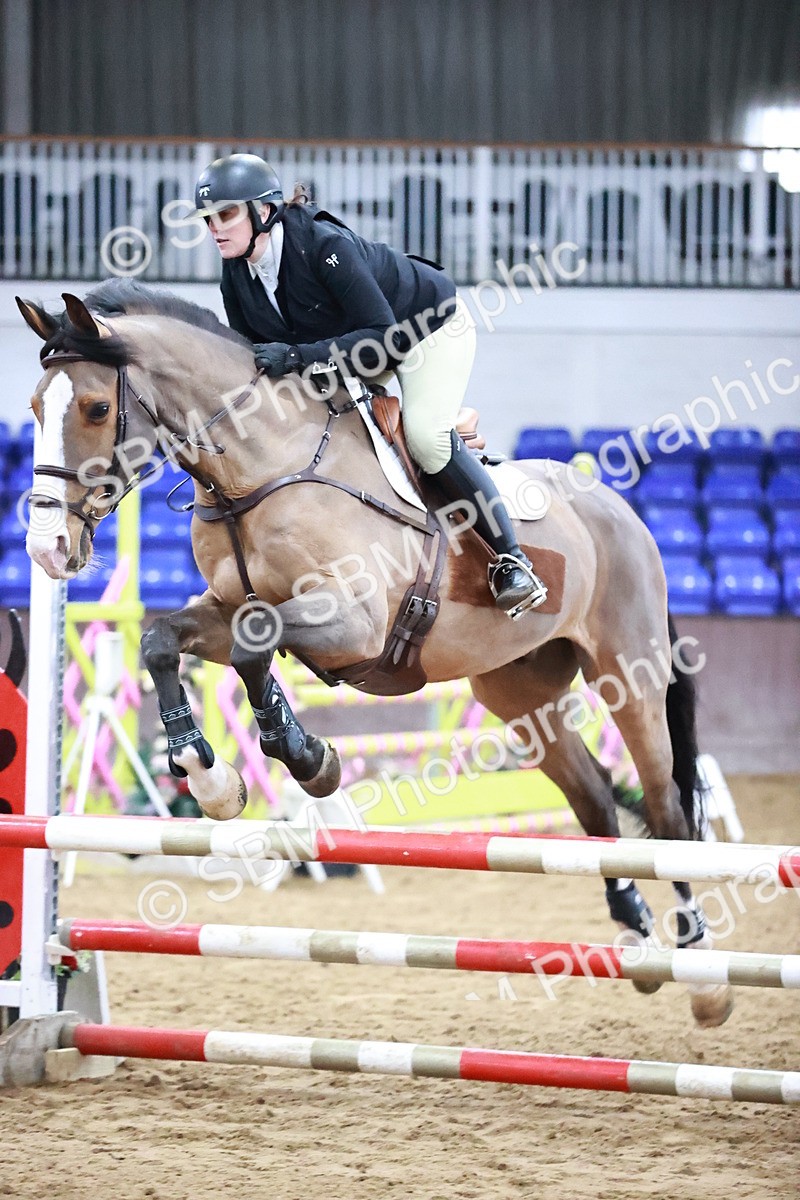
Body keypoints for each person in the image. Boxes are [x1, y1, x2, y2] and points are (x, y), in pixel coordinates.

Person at [192, 152, 547, 615]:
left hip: (422, 330)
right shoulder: (236, 274)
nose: (215, 228)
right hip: (351, 345)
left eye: (226, 214)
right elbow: (256, 361)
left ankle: (511, 561)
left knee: (425, 437)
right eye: (208, 219)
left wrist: (299, 357)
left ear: (263, 211)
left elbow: (384, 337)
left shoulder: (322, 245)